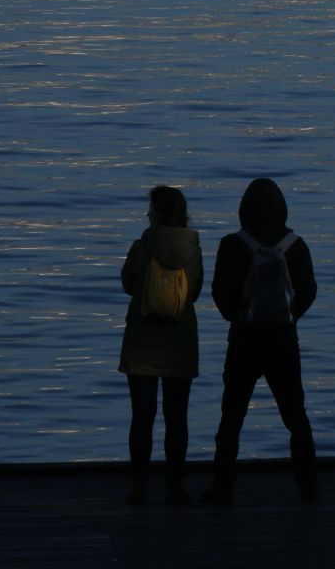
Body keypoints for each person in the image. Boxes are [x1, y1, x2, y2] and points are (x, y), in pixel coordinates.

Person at [204, 178, 319, 504]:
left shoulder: (232, 244)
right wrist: (290, 316)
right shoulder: (295, 245)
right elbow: (308, 291)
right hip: (283, 341)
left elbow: (220, 293)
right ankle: (308, 484)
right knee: (296, 416)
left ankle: (223, 486)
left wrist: (236, 316)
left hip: (244, 340)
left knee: (232, 416)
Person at [119, 185, 203, 506]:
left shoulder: (142, 247)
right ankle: (174, 486)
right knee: (176, 416)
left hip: (142, 342)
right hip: (180, 341)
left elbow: (128, 284)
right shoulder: (193, 249)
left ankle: (139, 487)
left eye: (150, 207)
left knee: (142, 416)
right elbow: (194, 292)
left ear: (156, 212)